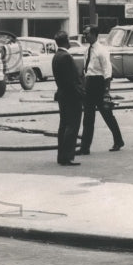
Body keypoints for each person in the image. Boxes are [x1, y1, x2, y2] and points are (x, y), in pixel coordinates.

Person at [77, 25, 125, 154]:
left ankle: (118, 140)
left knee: (107, 115)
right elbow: (86, 70)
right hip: (89, 84)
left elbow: (107, 71)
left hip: (99, 84)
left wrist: (106, 91)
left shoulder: (102, 50)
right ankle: (85, 147)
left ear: (94, 34)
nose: (85, 36)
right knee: (88, 118)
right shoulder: (87, 51)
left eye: (87, 33)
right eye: (84, 33)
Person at [51, 31, 84, 166]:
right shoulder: (66, 57)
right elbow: (71, 80)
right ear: (66, 41)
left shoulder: (56, 56)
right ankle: (67, 156)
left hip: (62, 95)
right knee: (72, 125)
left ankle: (61, 155)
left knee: (64, 125)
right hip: (71, 96)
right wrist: (81, 94)